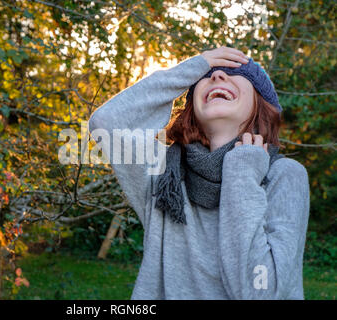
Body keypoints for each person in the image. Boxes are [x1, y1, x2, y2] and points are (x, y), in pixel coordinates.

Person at [87, 47, 310, 299]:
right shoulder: (164, 175)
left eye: (233, 72)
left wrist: (242, 173)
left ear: (260, 103)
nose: (216, 77)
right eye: (207, 76)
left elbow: (263, 292)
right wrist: (193, 68)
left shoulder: (284, 175)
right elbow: (107, 123)